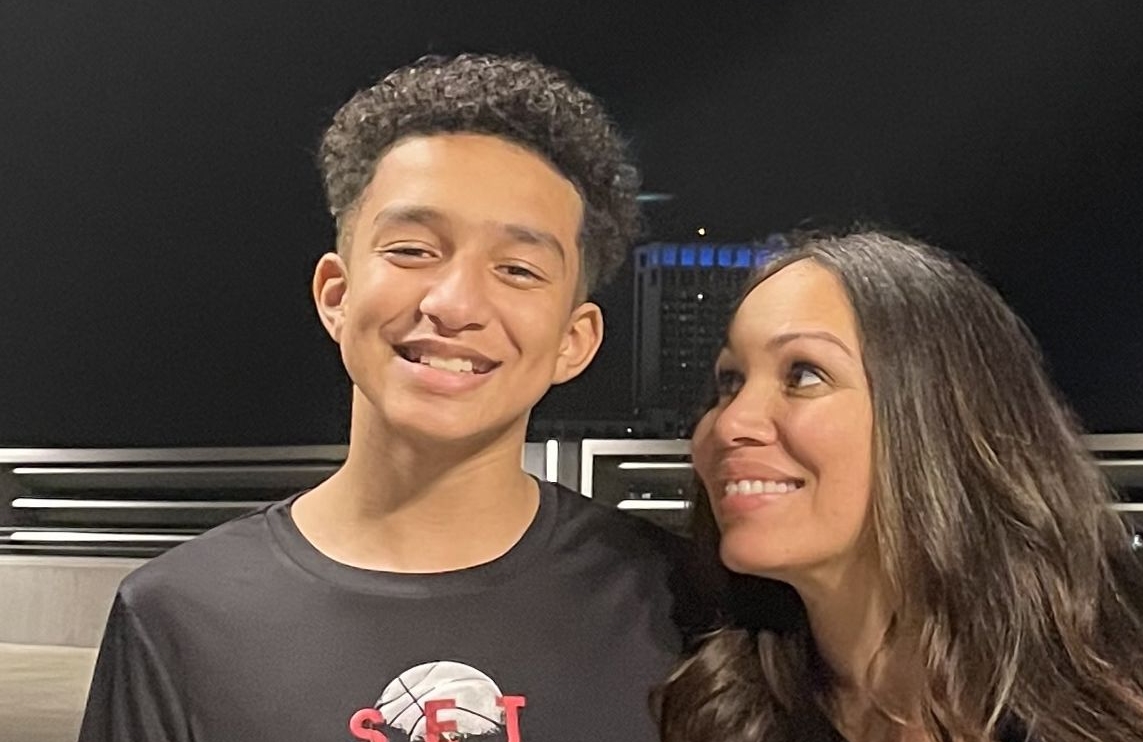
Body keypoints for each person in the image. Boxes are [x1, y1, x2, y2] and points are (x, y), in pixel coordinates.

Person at [80, 53, 699, 742]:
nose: (455, 303)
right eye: (412, 250)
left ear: (573, 340)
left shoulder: (675, 606)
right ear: (336, 295)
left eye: (518, 269)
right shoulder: (179, 614)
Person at [654, 231, 1143, 742]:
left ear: (941, 413)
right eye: (729, 383)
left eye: (803, 374)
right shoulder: (711, 707)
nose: (728, 424)